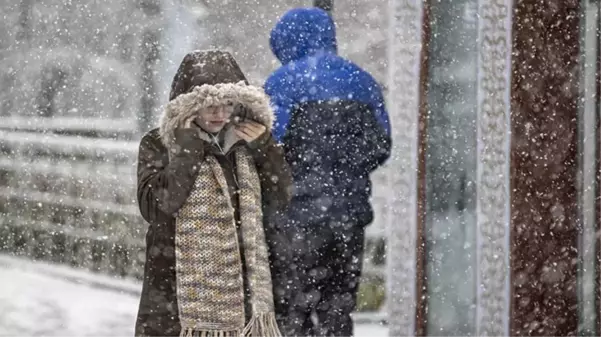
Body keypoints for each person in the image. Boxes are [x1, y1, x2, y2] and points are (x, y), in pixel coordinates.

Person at [135, 50, 292, 337]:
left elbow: (281, 196)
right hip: (174, 294)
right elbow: (156, 207)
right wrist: (187, 151)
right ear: (188, 108)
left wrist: (266, 148)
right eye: (210, 106)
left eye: (228, 104)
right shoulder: (159, 144)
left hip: (241, 296)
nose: (220, 114)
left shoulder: (248, 142)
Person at [265, 7, 392, 337]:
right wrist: (343, 175)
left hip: (294, 219)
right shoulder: (363, 82)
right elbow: (380, 146)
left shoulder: (282, 83)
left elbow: (268, 150)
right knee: (338, 308)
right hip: (349, 218)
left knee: (292, 308)